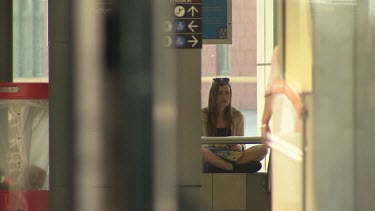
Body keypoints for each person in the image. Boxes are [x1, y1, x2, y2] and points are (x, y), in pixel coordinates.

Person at [202, 77, 268, 173]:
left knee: (263, 149)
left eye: (227, 93)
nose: (224, 97)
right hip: (212, 155)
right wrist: (215, 144)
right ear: (213, 95)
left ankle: (226, 167)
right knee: (201, 151)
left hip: (232, 156)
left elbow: (241, 143)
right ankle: (233, 168)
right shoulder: (202, 116)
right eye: (220, 93)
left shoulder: (237, 116)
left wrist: (239, 146)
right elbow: (198, 143)